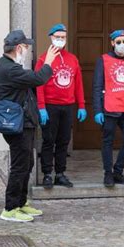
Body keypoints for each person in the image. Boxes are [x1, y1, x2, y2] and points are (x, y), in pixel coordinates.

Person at [0, 30, 59, 222]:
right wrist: (49, 62)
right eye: (26, 47)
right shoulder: (9, 68)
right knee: (20, 166)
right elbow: (38, 79)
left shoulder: (10, 65)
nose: (28, 50)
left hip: (23, 122)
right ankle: (10, 208)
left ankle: (21, 203)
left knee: (27, 163)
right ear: (19, 47)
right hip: (17, 125)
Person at [36, 23, 86, 189]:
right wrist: (41, 107)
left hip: (68, 106)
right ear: (51, 38)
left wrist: (81, 105)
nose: (60, 40)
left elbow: (78, 83)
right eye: (57, 37)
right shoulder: (44, 59)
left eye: (63, 37)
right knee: (49, 140)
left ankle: (60, 173)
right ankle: (47, 174)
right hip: (50, 106)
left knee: (64, 141)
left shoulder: (72, 59)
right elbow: (39, 84)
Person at [92, 29, 124, 188]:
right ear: (112, 43)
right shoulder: (104, 59)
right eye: (119, 42)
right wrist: (98, 109)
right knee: (107, 141)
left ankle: (118, 171)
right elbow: (97, 85)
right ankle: (108, 173)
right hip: (109, 107)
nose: (122, 45)